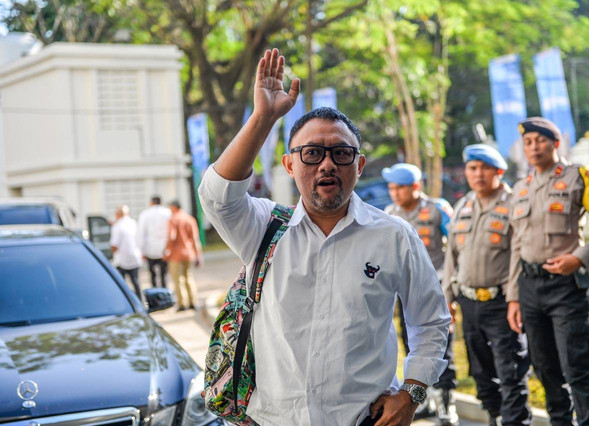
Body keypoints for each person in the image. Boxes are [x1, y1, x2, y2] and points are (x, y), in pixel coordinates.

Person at [198, 48, 450, 426]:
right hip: (271, 419)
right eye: (312, 153)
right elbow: (217, 196)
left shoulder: (395, 236)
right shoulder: (264, 228)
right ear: (289, 165)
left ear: (359, 165)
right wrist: (264, 117)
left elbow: (430, 321)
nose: (328, 164)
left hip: (364, 419)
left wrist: (411, 394)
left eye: (341, 153)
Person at [507, 117, 589, 426]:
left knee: (576, 368)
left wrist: (580, 258)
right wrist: (514, 298)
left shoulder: (579, 177)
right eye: (527, 142)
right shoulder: (520, 187)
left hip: (565, 286)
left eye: (539, 140)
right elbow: (517, 243)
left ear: (555, 143)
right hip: (529, 287)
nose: (533, 147)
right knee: (544, 368)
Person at [442, 144, 531, 426]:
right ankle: (494, 417)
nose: (478, 174)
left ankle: (516, 422)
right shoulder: (463, 205)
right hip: (469, 303)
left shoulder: (514, 203)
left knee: (510, 372)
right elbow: (451, 256)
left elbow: (519, 255)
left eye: (484, 168)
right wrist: (448, 296)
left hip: (502, 303)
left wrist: (515, 299)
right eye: (472, 168)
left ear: (499, 171)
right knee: (480, 372)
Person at [382, 163, 457, 425]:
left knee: (440, 348)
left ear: (415, 187)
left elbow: (456, 249)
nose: (395, 193)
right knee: (411, 345)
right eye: (391, 188)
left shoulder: (437, 210)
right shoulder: (389, 214)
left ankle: (448, 405)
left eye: (400, 187)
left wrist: (451, 289)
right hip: (405, 295)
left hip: (437, 290)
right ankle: (427, 402)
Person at [164, 200, 202, 311]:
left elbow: (171, 237)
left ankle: (182, 304)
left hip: (176, 254)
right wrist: (197, 255)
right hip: (189, 253)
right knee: (188, 277)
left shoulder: (173, 219)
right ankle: (193, 302)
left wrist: (167, 251)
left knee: (178, 279)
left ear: (173, 207)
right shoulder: (190, 219)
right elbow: (195, 239)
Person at [110, 204, 143, 300]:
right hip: (134, 257)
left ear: (118, 214)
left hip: (121, 259)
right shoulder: (133, 223)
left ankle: (124, 301)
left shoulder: (117, 226)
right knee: (136, 282)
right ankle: (140, 301)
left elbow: (114, 245)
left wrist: (111, 254)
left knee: (121, 284)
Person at [138, 195, 172, 288]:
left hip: (150, 249)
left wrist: (142, 250)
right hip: (164, 248)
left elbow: (141, 234)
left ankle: (155, 293)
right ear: (161, 202)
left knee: (152, 274)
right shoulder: (168, 213)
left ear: (151, 203)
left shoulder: (144, 214)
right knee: (163, 274)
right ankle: (164, 292)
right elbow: (171, 232)